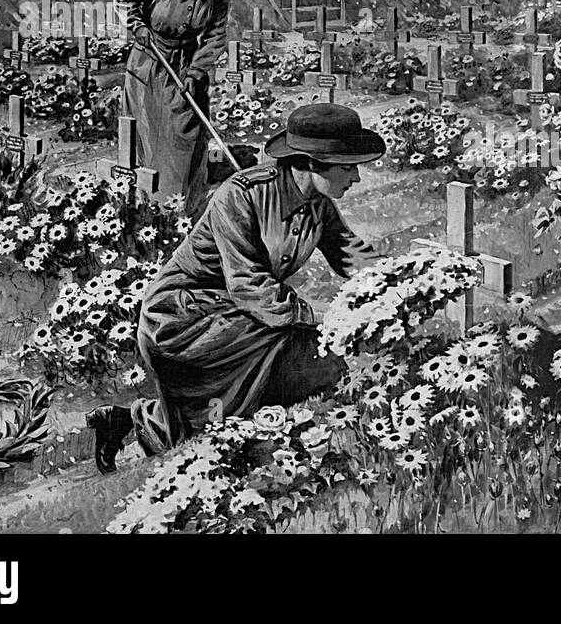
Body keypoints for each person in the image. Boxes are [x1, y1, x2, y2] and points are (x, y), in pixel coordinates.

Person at [86, 104, 387, 471]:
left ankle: (128, 422)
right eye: (347, 166)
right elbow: (248, 285)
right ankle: (234, 449)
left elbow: (350, 255)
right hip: (185, 315)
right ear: (310, 163)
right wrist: (322, 320)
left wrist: (396, 281)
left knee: (308, 367)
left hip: (242, 316)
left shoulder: (316, 205)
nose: (355, 177)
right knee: (305, 357)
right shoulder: (242, 194)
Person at [113, 0, 235, 220]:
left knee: (186, 131)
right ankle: (148, 202)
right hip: (149, 63)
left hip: (187, 63)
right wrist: (138, 26)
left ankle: (184, 203)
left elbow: (215, 36)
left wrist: (195, 71)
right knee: (150, 130)